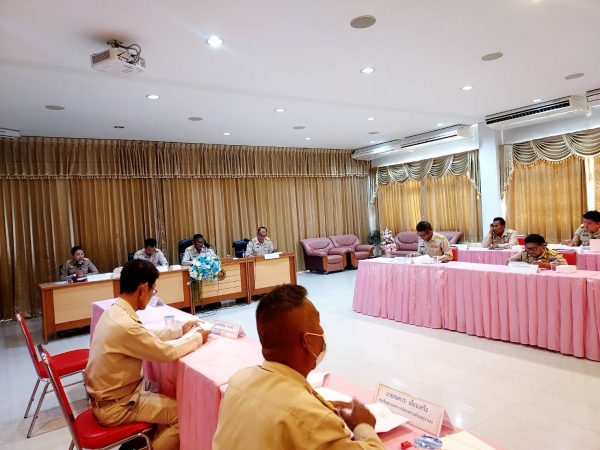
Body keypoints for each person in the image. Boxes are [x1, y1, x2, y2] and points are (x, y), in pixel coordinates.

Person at [213, 284, 384, 449]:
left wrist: (320, 407)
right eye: (319, 323)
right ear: (307, 341)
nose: (322, 331)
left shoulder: (238, 380)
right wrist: (364, 426)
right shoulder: (315, 421)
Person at [85, 259, 210, 450]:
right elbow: (168, 353)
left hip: (109, 398)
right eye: (153, 289)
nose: (152, 294)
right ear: (143, 288)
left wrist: (179, 329)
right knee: (184, 415)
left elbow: (144, 335)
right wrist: (198, 337)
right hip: (118, 406)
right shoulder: (124, 325)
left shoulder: (114, 311)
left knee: (164, 397)